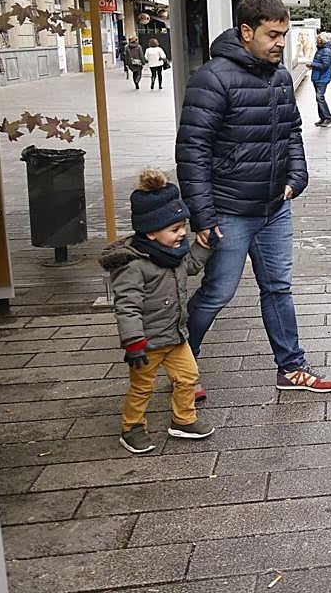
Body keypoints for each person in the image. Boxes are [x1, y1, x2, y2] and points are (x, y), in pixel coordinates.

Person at [176, 0, 331, 398]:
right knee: (217, 293)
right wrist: (203, 215)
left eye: (283, 34)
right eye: (272, 34)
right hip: (229, 211)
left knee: (278, 288)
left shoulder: (281, 77)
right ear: (246, 32)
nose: (280, 43)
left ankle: (292, 368)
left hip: (274, 208)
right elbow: (192, 149)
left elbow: (291, 132)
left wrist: (295, 177)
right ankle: (181, 367)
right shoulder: (212, 78)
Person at [99, 169, 214, 454]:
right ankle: (132, 427)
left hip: (175, 336)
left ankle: (184, 419)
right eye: (174, 230)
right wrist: (133, 342)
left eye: (183, 228)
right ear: (151, 232)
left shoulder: (173, 256)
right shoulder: (133, 266)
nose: (181, 235)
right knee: (142, 389)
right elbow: (126, 306)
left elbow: (191, 266)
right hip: (147, 343)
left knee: (188, 377)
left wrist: (205, 247)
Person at [306, 33, 331, 126]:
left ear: (323, 40)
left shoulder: (326, 51)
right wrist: (313, 66)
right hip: (318, 77)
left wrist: (312, 64)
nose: (317, 40)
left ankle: (328, 118)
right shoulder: (321, 49)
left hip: (322, 78)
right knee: (319, 98)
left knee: (320, 98)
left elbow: (325, 66)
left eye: (319, 38)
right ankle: (323, 118)